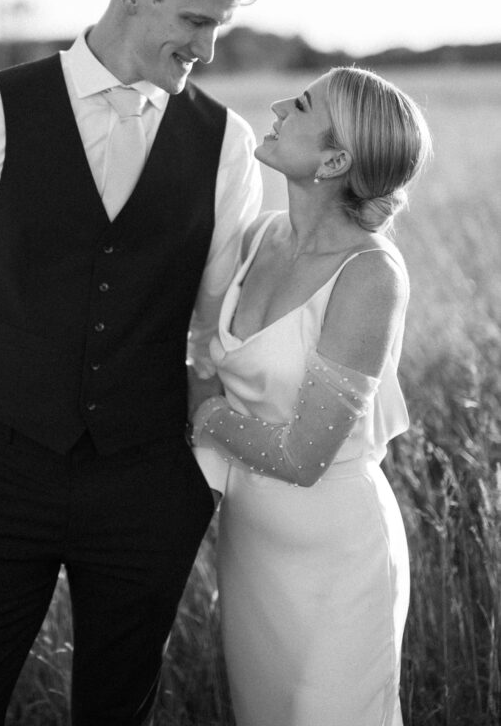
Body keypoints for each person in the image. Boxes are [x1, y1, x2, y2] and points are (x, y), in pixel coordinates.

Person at [0, 0, 265, 726]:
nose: (206, 47)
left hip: (147, 485)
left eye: (220, 28)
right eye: (196, 20)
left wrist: (197, 473)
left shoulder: (226, 143)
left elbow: (218, 326)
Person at [191, 66, 432, 726]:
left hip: (338, 559)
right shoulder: (254, 237)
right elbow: (191, 340)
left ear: (333, 158)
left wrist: (203, 415)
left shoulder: (370, 274)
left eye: (298, 105)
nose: (273, 107)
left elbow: (303, 457)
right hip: (250, 550)